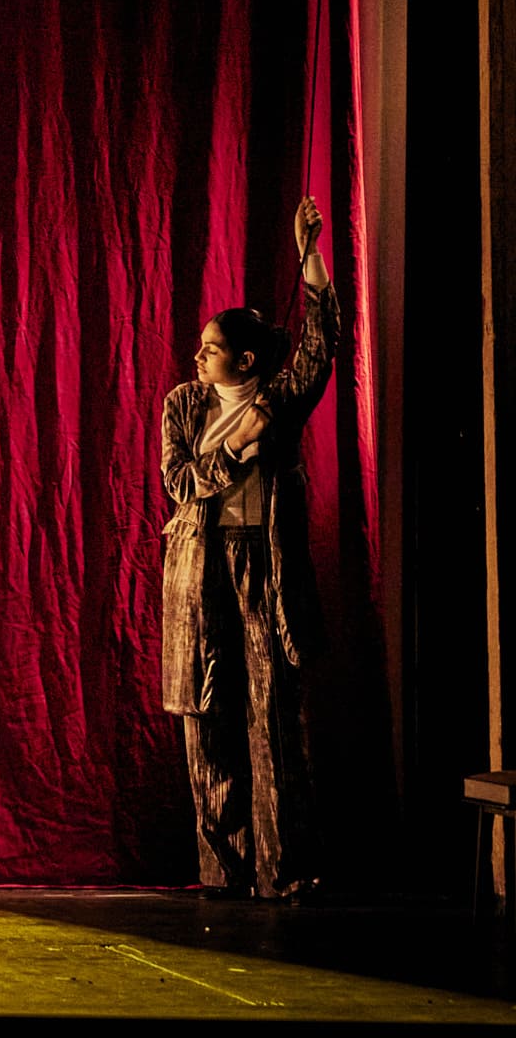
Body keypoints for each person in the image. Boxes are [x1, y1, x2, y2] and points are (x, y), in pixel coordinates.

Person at [159, 195, 338, 901]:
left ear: (246, 357)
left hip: (264, 564)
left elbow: (321, 345)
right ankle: (224, 868)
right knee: (207, 714)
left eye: (210, 347)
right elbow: (181, 483)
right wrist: (237, 446)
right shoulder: (183, 404)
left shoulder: (280, 399)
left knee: (272, 713)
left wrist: (309, 258)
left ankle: (282, 869)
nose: (198, 355)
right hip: (200, 567)